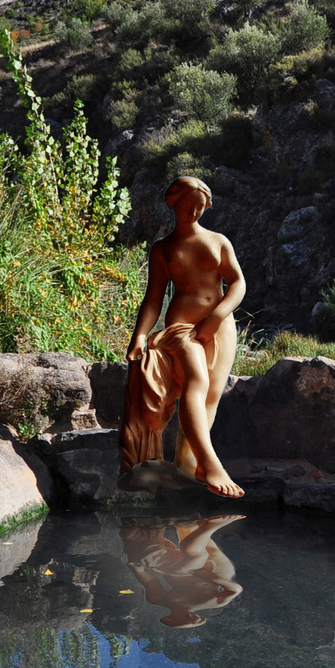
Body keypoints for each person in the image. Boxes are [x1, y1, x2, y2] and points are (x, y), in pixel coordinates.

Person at [119, 175, 246, 497]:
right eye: (188, 206)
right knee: (196, 383)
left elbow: (238, 283)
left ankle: (189, 468)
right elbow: (153, 297)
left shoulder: (218, 241)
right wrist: (140, 336)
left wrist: (217, 317)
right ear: (172, 202)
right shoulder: (163, 249)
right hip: (182, 328)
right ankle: (212, 463)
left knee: (211, 396)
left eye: (200, 207)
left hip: (220, 325)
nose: (193, 212)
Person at [121, 515, 244, 628]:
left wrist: (138, 571)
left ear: (169, 620)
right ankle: (208, 528)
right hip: (214, 569)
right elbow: (235, 590)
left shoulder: (159, 600)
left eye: (184, 621)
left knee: (147, 557)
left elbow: (150, 582)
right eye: (193, 621)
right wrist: (210, 577)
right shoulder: (212, 603)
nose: (191, 619)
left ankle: (188, 525)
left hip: (180, 569)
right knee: (194, 555)